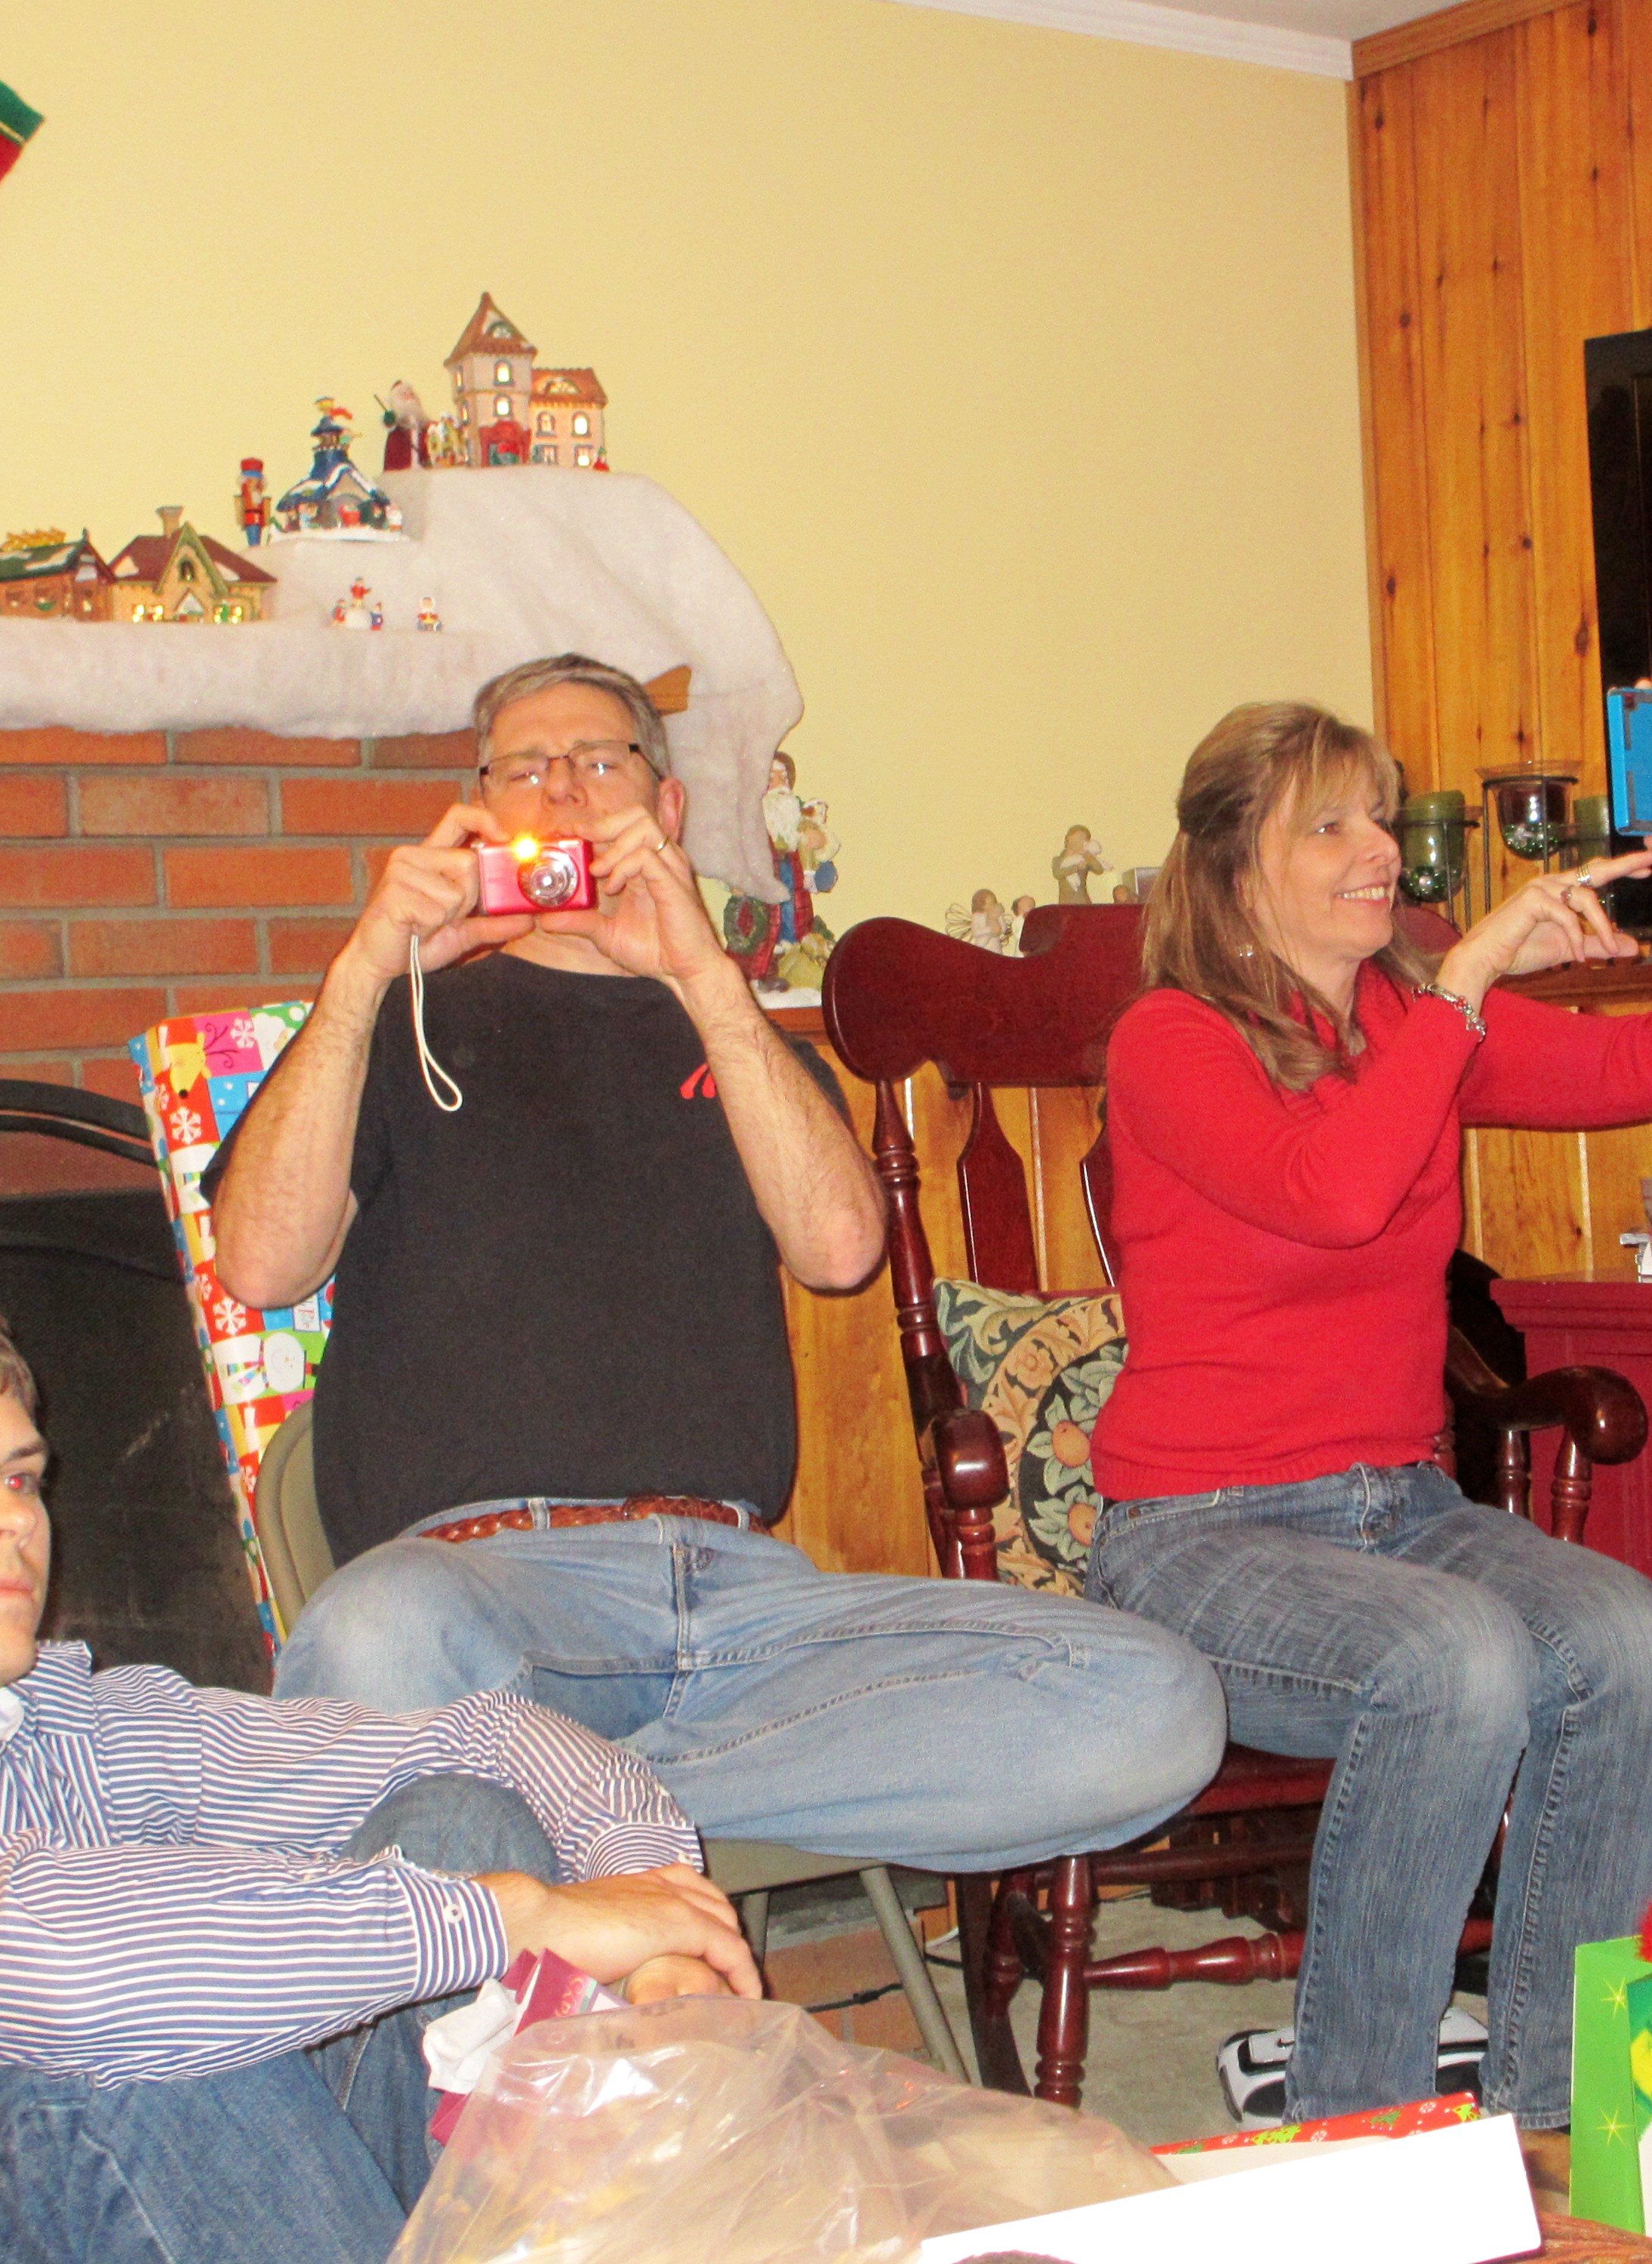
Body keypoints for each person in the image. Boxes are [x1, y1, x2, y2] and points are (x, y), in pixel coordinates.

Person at [208, 653, 1222, 1875]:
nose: (562, 791)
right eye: (524, 769)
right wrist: (369, 968)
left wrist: (701, 974)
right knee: (371, 1630)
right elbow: (258, 1264)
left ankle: (577, 1803)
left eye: (599, 761)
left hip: (747, 1606)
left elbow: (841, 1248)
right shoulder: (400, 1023)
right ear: (475, 812)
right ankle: (566, 1801)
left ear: (668, 807)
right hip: (486, 1604)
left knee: (1152, 1697)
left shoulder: (733, 1036)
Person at [0, 1278, 758, 2264]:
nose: (11, 1519)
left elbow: (482, 1740)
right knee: (127, 2041)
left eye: (21, 1477)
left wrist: (654, 1919)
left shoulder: (53, 1727)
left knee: (457, 1823)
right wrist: (516, 1918)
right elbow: (72, 1975)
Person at [1086, 684, 1652, 2132]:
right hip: (1198, 1535)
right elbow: (1331, 1194)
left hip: (1397, 1507)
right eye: (1329, 824)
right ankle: (1361, 2129)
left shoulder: (1405, 1025)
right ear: (1233, 871)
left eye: (1380, 817)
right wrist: (1465, 987)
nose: (1378, 848)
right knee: (1456, 1664)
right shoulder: (1171, 1041)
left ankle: (1557, 2118)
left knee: (1633, 1644)